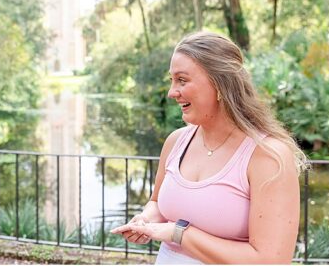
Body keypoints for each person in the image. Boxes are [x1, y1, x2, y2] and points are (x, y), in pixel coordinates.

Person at [110, 31, 304, 264]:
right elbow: (156, 203)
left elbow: (271, 260)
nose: (172, 92)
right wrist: (145, 220)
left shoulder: (268, 156)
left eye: (182, 80)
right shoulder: (176, 142)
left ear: (220, 83)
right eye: (171, 80)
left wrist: (178, 233)